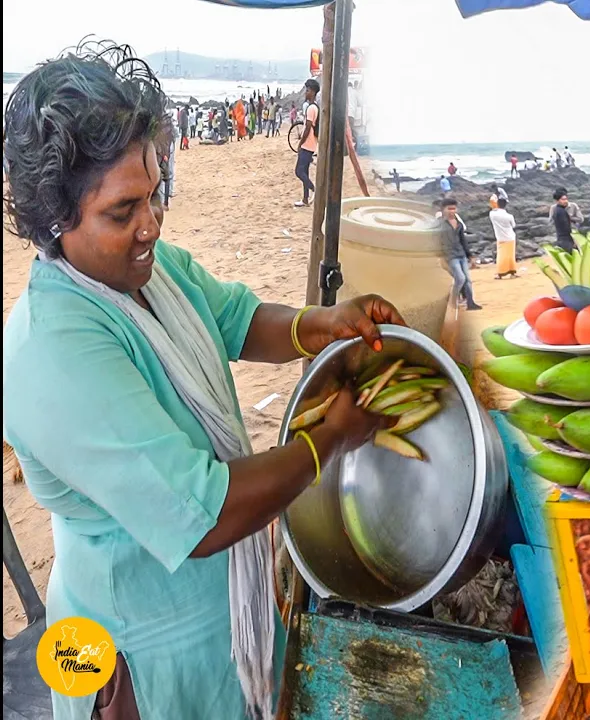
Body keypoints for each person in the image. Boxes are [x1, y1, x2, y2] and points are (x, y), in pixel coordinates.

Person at [2, 42, 408, 719]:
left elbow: (240, 320)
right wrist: (327, 441)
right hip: (139, 657)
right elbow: (206, 512)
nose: (151, 224)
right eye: (121, 211)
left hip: (222, 620)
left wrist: (322, 323)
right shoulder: (53, 348)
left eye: (155, 191)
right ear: (55, 219)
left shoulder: (154, 272)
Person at [440, 198, 482, 310]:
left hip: (461, 254)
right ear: (443, 210)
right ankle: (452, 302)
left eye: (454, 208)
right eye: (449, 209)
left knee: (467, 280)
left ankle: (471, 303)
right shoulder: (439, 225)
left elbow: (463, 241)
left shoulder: (458, 224)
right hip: (450, 256)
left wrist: (470, 256)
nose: (452, 211)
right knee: (460, 278)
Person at [294, 79, 320, 208]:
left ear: (313, 92)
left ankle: (314, 189)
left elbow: (308, 128)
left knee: (299, 171)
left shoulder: (311, 108)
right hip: (311, 144)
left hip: (307, 145)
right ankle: (305, 199)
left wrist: (300, 143)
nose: (306, 92)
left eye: (308, 90)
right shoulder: (314, 107)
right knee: (305, 171)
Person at [490, 197, 518, 279]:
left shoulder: (492, 214)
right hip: (510, 237)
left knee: (501, 255)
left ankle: (501, 272)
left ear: (498, 204)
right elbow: (514, 226)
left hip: (500, 237)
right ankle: (512, 272)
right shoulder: (509, 216)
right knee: (511, 255)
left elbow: (492, 204)